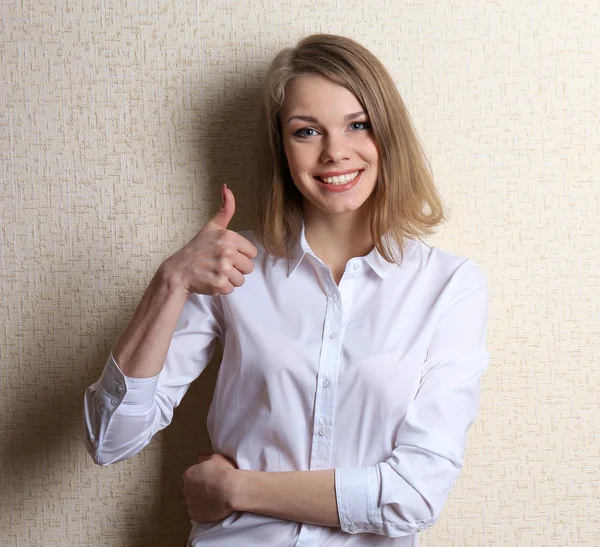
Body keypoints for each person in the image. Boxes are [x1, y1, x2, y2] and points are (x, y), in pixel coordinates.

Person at [84, 34, 490, 547]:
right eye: (306, 131)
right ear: (282, 146)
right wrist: (171, 282)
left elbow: (413, 495)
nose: (335, 152)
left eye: (357, 124)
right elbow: (110, 440)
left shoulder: (450, 287)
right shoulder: (231, 269)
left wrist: (238, 490)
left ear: (388, 134)